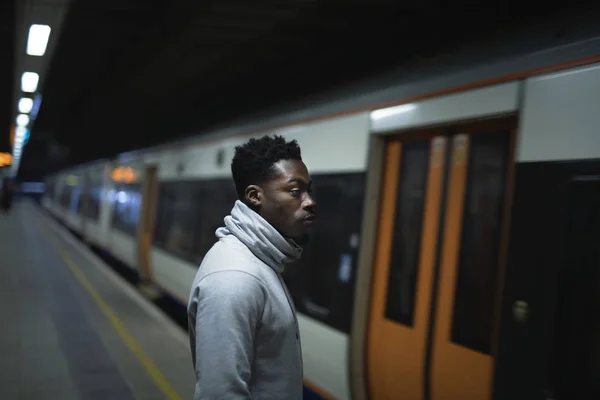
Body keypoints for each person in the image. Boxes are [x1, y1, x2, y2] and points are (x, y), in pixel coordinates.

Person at [187, 135, 316, 400]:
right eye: (295, 191)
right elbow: (220, 394)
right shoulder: (234, 278)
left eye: (308, 190)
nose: (309, 201)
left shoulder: (261, 261)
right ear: (255, 196)